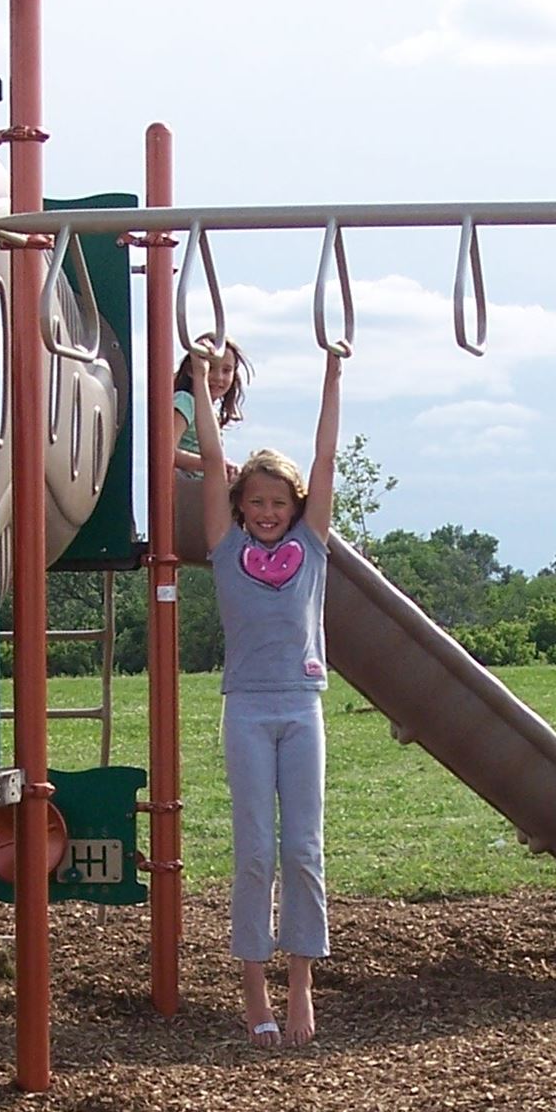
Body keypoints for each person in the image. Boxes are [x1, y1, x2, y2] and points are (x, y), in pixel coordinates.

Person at [192, 345, 341, 1050]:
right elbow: (214, 449)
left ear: (296, 508)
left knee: (303, 850)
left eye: (279, 502)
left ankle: (302, 987)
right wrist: (197, 380)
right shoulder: (224, 546)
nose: (268, 512)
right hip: (247, 707)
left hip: (301, 706)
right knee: (255, 850)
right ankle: (254, 991)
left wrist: (332, 375)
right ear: (240, 508)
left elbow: (325, 459)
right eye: (256, 502)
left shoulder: (312, 544)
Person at [172, 337, 248, 480]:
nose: (218, 377)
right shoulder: (185, 401)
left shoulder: (212, 415)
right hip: (186, 487)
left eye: (226, 370)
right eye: (211, 368)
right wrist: (215, 465)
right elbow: (167, 452)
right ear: (191, 370)